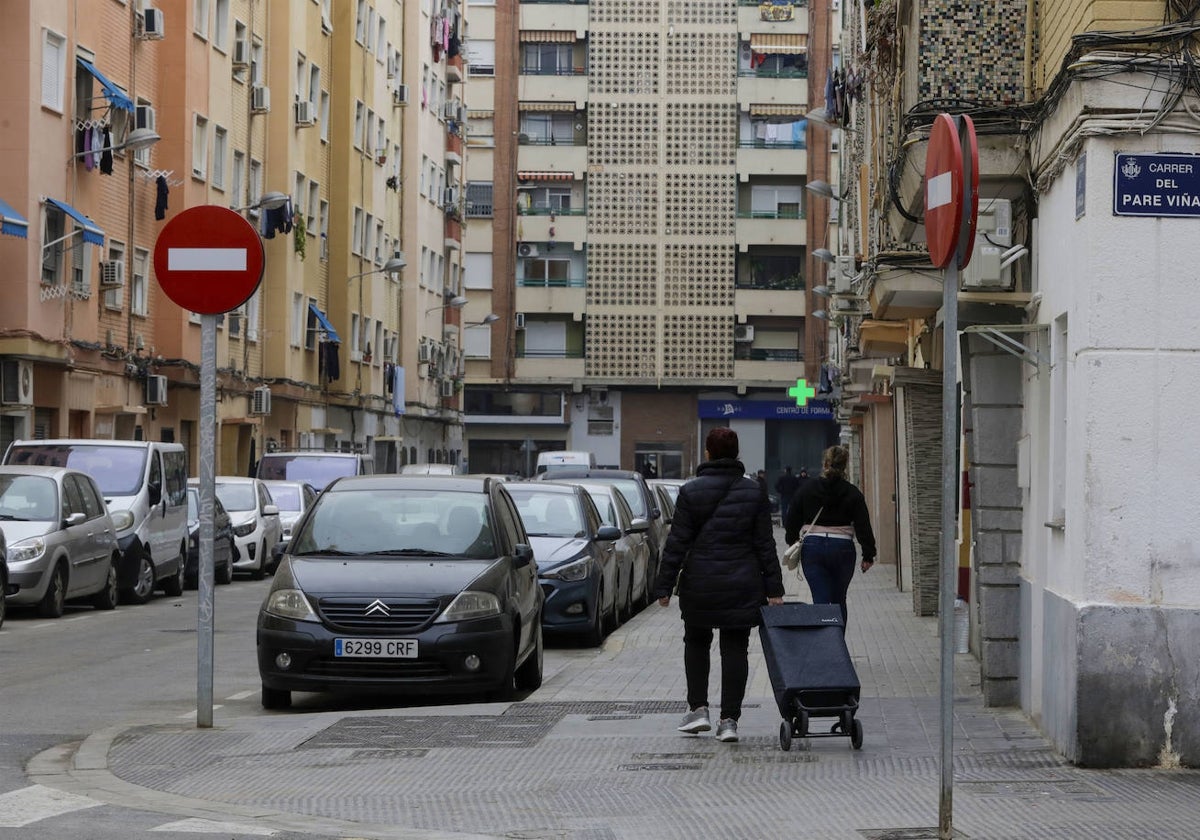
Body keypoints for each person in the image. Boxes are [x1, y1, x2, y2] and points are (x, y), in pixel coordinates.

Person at [654, 428, 785, 743]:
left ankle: (698, 709)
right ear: (737, 455)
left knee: (696, 642)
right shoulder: (753, 492)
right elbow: (765, 545)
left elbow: (677, 542)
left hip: (700, 582)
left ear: (708, 454)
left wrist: (664, 585)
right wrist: (775, 589)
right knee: (736, 647)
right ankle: (729, 721)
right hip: (742, 582)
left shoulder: (690, 492)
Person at [783, 445, 876, 630]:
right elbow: (863, 524)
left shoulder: (807, 489)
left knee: (821, 600)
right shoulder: (852, 493)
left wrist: (792, 539)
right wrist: (868, 554)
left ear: (825, 463)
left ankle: (825, 647)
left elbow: (792, 516)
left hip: (813, 547)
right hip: (842, 548)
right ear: (845, 466)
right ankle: (838, 647)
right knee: (839, 598)